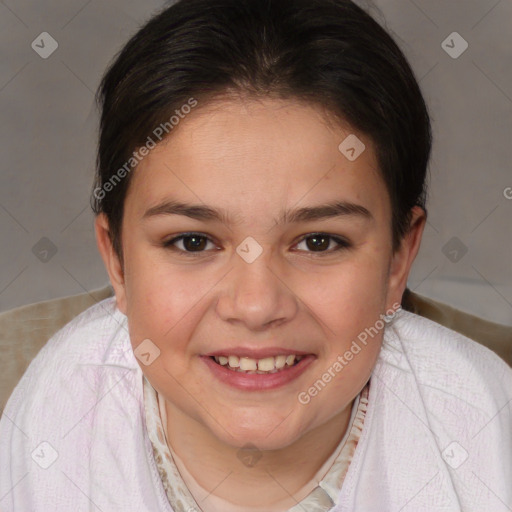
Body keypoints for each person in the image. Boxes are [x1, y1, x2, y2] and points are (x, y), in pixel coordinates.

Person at [1, 0, 511, 510]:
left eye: (319, 242)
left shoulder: (484, 432)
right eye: (193, 242)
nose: (256, 305)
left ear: (399, 257)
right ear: (117, 262)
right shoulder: (39, 421)